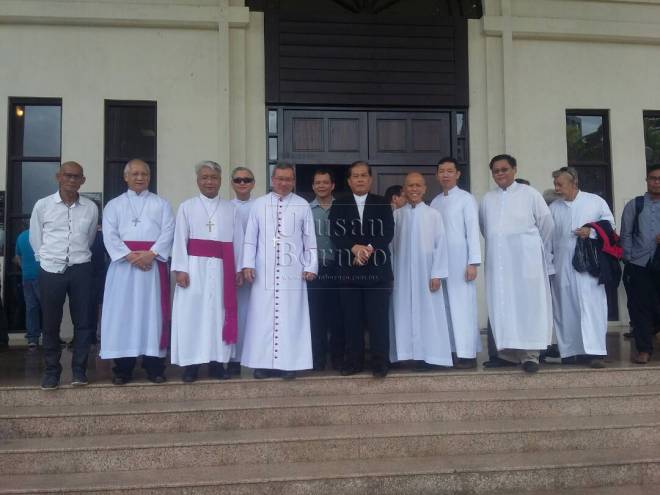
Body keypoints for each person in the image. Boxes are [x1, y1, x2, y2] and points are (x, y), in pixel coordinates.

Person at [100, 159, 174, 385]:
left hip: (152, 268)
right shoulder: (114, 205)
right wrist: (131, 256)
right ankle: (123, 368)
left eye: (144, 174)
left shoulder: (161, 204)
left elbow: (169, 231)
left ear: (150, 177)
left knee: (152, 315)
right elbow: (109, 235)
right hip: (124, 269)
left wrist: (151, 254)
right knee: (124, 315)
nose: (140, 178)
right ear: (126, 177)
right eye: (135, 174)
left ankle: (154, 366)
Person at [479, 154, 554, 374]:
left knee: (528, 307)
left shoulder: (530, 194)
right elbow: (486, 229)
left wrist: (534, 249)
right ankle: (507, 355)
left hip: (526, 262)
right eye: (496, 171)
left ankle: (530, 356)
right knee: (503, 305)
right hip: (500, 265)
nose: (500, 174)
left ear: (514, 170)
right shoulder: (487, 199)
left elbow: (547, 225)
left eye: (504, 169)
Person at [241, 163, 317, 379]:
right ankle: (262, 364)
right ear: (273, 180)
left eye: (288, 179)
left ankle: (289, 363)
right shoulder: (259, 205)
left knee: (291, 316)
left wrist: (311, 266)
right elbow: (250, 239)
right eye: (280, 178)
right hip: (263, 271)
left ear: (293, 182)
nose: (284, 183)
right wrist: (248, 264)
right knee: (261, 316)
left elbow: (309, 240)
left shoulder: (302, 205)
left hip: (292, 271)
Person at [171, 161, 244, 382]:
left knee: (218, 315)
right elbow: (179, 239)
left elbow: (238, 240)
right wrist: (180, 269)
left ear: (221, 181)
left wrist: (239, 268)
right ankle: (191, 365)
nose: (209, 182)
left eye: (213, 177)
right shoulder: (187, 206)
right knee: (192, 315)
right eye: (205, 177)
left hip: (223, 269)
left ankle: (216, 363)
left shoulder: (231, 208)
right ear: (198, 181)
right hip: (194, 267)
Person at [30, 161, 99, 389]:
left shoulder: (91, 207)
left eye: (76, 176)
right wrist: (46, 261)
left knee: (84, 322)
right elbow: (36, 238)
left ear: (83, 180)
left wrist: (76, 259)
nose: (72, 180)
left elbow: (89, 238)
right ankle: (52, 372)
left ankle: (79, 370)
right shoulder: (43, 205)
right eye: (67, 175)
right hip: (51, 269)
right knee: (50, 323)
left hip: (81, 268)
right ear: (58, 177)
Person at [329, 161, 394, 378]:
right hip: (349, 272)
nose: (359, 179)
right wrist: (353, 248)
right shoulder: (339, 204)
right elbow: (336, 235)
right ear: (348, 181)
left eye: (363, 175)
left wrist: (366, 249)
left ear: (370, 179)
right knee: (352, 320)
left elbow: (387, 233)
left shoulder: (382, 203)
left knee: (378, 320)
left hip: (377, 272)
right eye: (355, 176)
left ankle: (380, 362)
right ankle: (353, 362)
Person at [549, 167, 614, 368]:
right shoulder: (554, 208)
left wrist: (590, 231)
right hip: (561, 265)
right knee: (564, 308)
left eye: (561, 184)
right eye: (555, 184)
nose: (557, 189)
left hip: (589, 266)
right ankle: (569, 351)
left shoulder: (595, 201)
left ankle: (595, 352)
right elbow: (548, 239)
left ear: (574, 183)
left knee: (591, 306)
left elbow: (609, 226)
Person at [390, 172, 452, 369]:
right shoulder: (397, 215)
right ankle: (405, 354)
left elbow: (440, 245)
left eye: (418, 185)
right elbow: (390, 247)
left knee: (428, 314)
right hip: (402, 275)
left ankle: (430, 355)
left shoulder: (433, 215)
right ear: (405, 189)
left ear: (425, 188)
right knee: (402, 313)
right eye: (410, 186)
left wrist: (437, 274)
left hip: (426, 275)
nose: (414, 189)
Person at [430, 157, 481, 369]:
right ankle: (450, 351)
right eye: (441, 171)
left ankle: (467, 354)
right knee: (445, 307)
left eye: (449, 171)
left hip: (461, 261)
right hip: (441, 262)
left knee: (463, 306)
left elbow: (472, 232)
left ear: (458, 174)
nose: (445, 174)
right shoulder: (435, 201)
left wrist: (473, 262)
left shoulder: (466, 199)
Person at [620, 164, 660, 364]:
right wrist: (629, 258)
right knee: (639, 308)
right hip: (639, 264)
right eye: (653, 178)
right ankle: (644, 350)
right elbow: (625, 234)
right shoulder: (635, 204)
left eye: (659, 179)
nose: (656, 182)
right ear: (647, 180)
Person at [308, 168, 344, 370]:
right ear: (313, 186)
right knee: (316, 316)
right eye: (317, 182)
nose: (321, 186)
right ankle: (317, 359)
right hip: (314, 270)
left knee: (337, 316)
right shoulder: (305, 209)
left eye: (325, 182)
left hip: (338, 268)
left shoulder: (342, 207)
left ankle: (338, 358)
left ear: (332, 185)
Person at [228, 166, 256, 376]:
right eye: (238, 180)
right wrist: (237, 267)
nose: (242, 183)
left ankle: (255, 356)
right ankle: (233, 357)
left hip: (257, 269)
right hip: (233, 269)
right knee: (234, 313)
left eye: (247, 180)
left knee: (255, 314)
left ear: (253, 183)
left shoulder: (261, 207)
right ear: (232, 183)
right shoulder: (226, 208)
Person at [15, 226, 42, 348]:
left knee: (31, 308)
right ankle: (50, 337)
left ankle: (32, 339)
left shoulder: (21, 236)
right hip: (41, 276)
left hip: (26, 277)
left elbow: (17, 257)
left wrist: (24, 268)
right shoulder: (42, 235)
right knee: (48, 308)